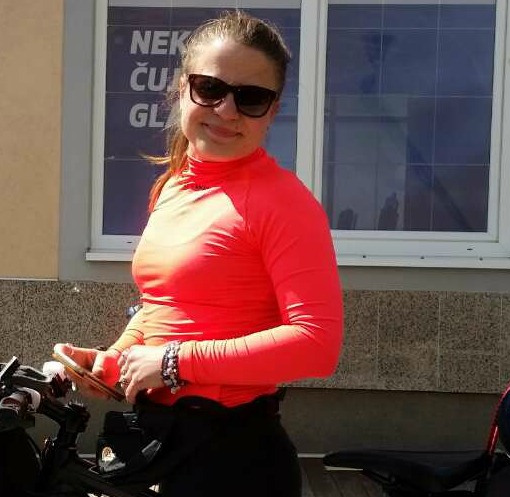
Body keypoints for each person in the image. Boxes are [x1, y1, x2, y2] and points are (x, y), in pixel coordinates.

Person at [57, 10, 343, 497]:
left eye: (251, 98)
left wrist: (173, 362)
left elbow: (317, 344)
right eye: (210, 88)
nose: (227, 110)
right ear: (182, 88)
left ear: (273, 110)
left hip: (234, 458)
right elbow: (162, 306)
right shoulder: (172, 186)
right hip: (161, 442)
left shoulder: (284, 203)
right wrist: (114, 361)